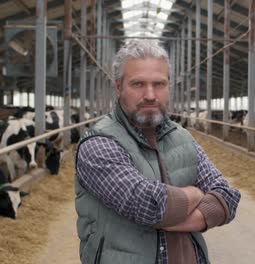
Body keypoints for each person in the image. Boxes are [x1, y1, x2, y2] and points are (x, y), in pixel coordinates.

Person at [75, 39, 241, 264]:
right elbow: (149, 205)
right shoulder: (98, 144)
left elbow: (227, 197)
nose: (151, 95)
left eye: (159, 84)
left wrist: (185, 214)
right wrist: (196, 194)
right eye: (138, 84)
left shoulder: (182, 138)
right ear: (118, 87)